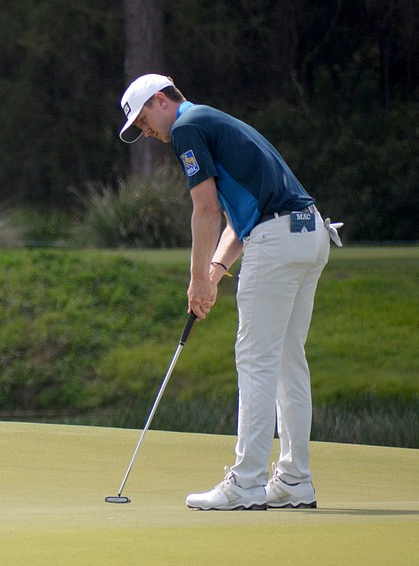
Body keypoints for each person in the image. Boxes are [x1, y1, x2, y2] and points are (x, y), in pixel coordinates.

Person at [118, 74, 341, 511]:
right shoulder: (213, 121)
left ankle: (246, 482)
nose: (146, 132)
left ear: (160, 101)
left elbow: (206, 208)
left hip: (277, 238)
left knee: (257, 360)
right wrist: (215, 271)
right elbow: (241, 217)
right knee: (286, 362)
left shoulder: (186, 127)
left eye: (143, 120)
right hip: (308, 232)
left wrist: (197, 277)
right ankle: (295, 481)